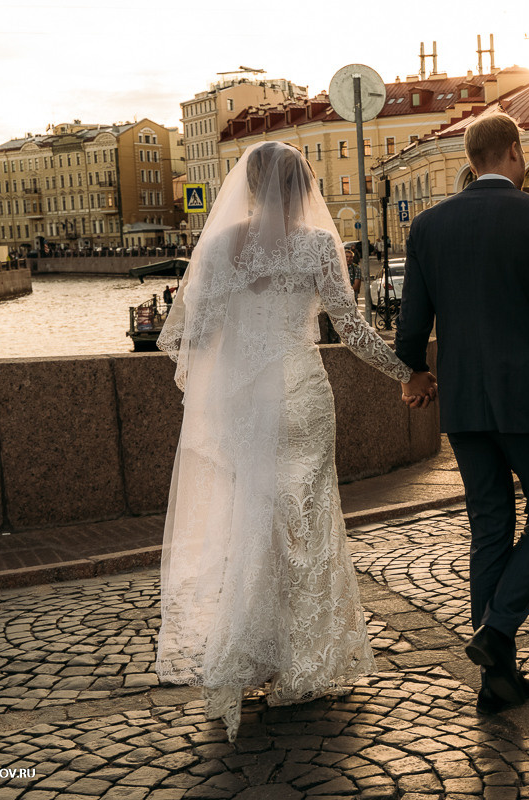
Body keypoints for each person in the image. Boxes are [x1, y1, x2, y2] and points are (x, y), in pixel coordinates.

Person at [154, 142, 435, 742]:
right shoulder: (315, 246)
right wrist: (406, 372)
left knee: (253, 525)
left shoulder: (223, 242)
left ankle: (245, 655)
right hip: (303, 396)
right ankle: (302, 662)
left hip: (245, 407)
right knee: (305, 524)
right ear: (304, 188)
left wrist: (236, 358)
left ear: (249, 186)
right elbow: (352, 329)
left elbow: (195, 334)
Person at [394, 112, 529, 715]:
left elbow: (410, 326)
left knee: (490, 527)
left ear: (470, 161)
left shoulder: (430, 227)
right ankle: (496, 632)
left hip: (464, 405)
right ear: (514, 153)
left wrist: (414, 370)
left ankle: (497, 680)